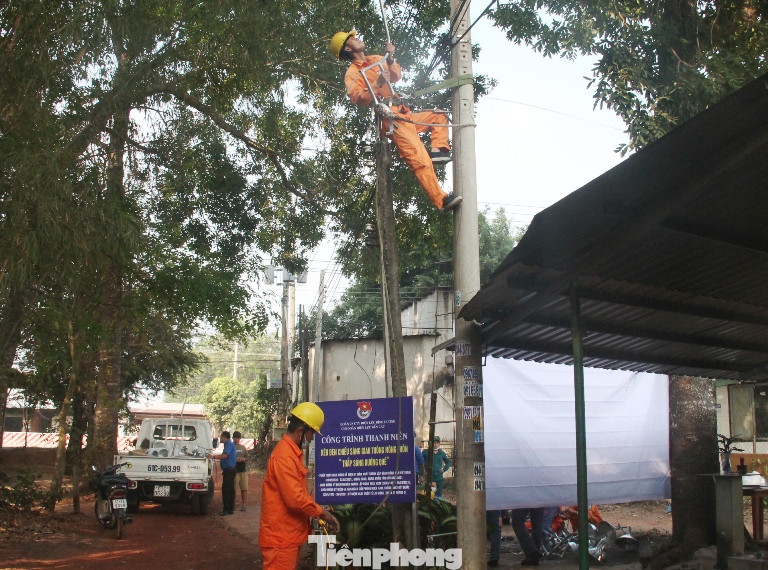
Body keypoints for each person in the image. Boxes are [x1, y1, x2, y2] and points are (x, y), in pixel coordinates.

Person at [330, 30, 462, 212]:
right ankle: (441, 200)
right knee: (418, 157)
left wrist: (390, 59)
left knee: (438, 116)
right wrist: (377, 84)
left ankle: (438, 151)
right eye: (352, 38)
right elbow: (357, 98)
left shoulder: (376, 58)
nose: (357, 38)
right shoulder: (352, 73)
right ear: (347, 47)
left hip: (403, 112)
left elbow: (396, 76)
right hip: (390, 118)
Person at [259, 402, 340, 569]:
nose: (311, 440)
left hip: (288, 536)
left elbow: (299, 493)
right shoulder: (285, 456)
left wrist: (317, 513)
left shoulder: (292, 454)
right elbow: (295, 499)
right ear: (301, 431)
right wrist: (322, 513)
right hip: (280, 539)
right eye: (312, 434)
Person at [206, 430, 237, 515]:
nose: (220, 438)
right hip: (230, 470)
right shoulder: (229, 444)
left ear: (224, 437)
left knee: (226, 490)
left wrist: (213, 457)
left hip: (229, 470)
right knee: (230, 490)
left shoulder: (229, 445)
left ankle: (227, 509)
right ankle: (230, 508)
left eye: (221, 437)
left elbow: (225, 455)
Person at [232, 431, 248, 511]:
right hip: (234, 470)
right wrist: (234, 460)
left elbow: (247, 457)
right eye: (235, 438)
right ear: (233, 438)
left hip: (243, 470)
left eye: (238, 438)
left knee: (244, 488)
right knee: (234, 488)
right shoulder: (231, 447)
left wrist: (243, 459)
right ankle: (233, 504)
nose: (237, 439)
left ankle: (243, 505)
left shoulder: (243, 447)